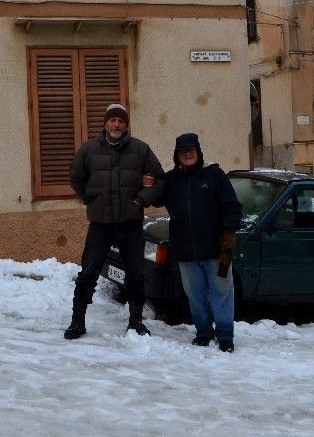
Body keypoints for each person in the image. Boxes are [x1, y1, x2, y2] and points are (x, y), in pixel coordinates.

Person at [65, 103, 165, 340]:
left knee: (135, 274)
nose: (117, 124)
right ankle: (77, 322)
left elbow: (160, 179)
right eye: (113, 120)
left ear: (126, 124)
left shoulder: (140, 149)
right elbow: (75, 176)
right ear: (106, 123)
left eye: (121, 121)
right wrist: (89, 197)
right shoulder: (89, 149)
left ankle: (136, 322)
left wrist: (142, 199)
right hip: (100, 222)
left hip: (130, 222)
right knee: (88, 271)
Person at [154, 133, 242, 352]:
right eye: (183, 151)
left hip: (216, 250)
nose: (187, 153)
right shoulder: (171, 180)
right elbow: (155, 199)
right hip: (186, 251)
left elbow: (232, 205)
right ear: (177, 155)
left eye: (191, 149)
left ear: (198, 152)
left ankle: (225, 336)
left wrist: (229, 231)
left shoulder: (214, 175)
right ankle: (203, 332)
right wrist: (148, 182)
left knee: (222, 293)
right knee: (195, 296)